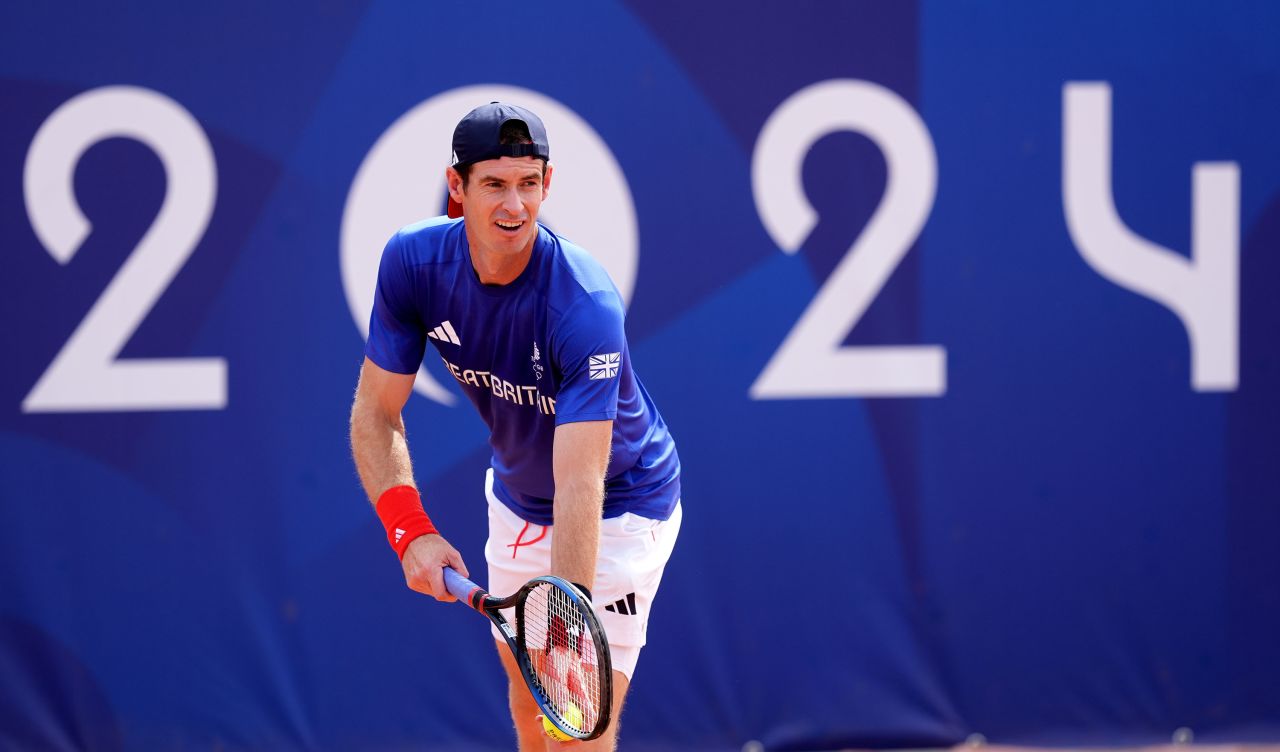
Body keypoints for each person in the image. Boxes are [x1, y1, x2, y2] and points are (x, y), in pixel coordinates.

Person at [349, 101, 682, 751]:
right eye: (495, 184)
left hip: (618, 508)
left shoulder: (582, 307)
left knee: (578, 723)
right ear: (457, 187)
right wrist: (408, 531)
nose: (514, 206)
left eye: (529, 183)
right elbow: (375, 412)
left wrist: (569, 620)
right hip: (516, 498)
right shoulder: (413, 265)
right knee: (528, 690)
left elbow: (581, 481)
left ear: (547, 185)